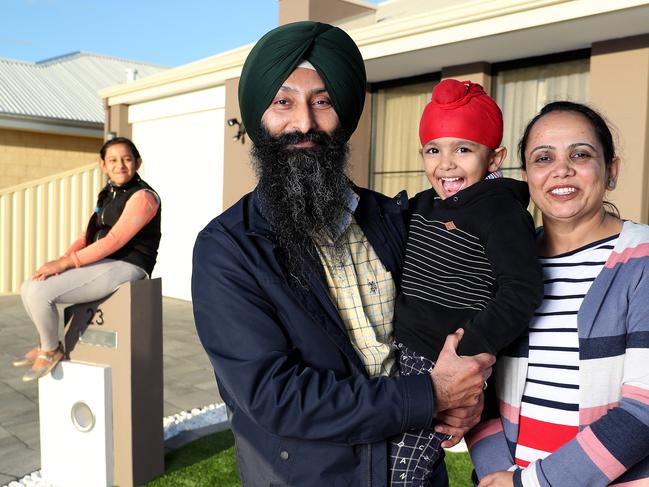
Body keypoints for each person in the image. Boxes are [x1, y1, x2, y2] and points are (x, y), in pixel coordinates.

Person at [192, 21, 494, 487]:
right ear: (259, 117)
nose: (304, 123)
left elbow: (445, 313)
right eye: (283, 102)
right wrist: (431, 395)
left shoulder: (391, 217)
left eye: (323, 101)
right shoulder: (230, 248)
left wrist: (470, 396)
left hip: (416, 472)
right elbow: (277, 396)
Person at [469, 101, 649, 486]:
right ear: (526, 177)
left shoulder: (643, 260)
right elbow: (477, 387)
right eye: (543, 158)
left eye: (580, 154)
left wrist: (529, 484)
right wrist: (496, 475)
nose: (561, 170)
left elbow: (644, 412)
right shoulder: (503, 267)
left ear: (611, 170)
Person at [388, 79, 543, 487]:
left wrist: (464, 356)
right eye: (433, 150)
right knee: (370, 458)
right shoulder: (422, 206)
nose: (446, 163)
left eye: (463, 149)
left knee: (402, 471)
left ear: (495, 159)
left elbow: (520, 291)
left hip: (438, 358)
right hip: (393, 353)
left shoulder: (500, 213)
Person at [14, 136, 161, 382]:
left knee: (41, 293)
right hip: (103, 262)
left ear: (137, 162)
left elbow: (113, 240)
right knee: (30, 285)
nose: (120, 165)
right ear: (103, 164)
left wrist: (67, 263)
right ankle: (45, 343)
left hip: (129, 265)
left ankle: (51, 350)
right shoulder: (107, 195)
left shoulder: (143, 196)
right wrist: (58, 262)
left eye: (126, 159)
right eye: (113, 160)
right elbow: (87, 236)